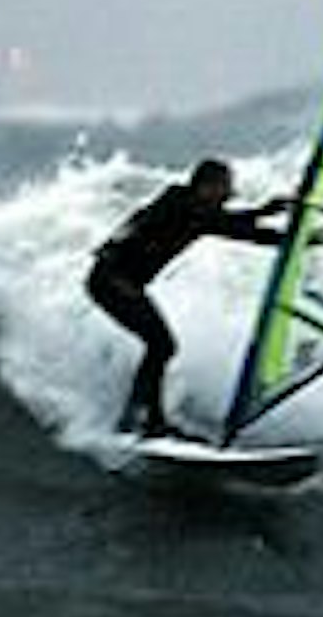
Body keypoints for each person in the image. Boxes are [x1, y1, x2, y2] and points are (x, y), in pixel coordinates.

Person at [86, 158, 291, 438]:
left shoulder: (188, 207)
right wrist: (286, 234)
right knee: (161, 344)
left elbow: (228, 224)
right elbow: (232, 227)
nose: (228, 195)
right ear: (207, 187)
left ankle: (140, 417)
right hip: (111, 282)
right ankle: (144, 420)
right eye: (225, 189)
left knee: (161, 345)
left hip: (120, 282)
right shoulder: (181, 206)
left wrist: (268, 215)